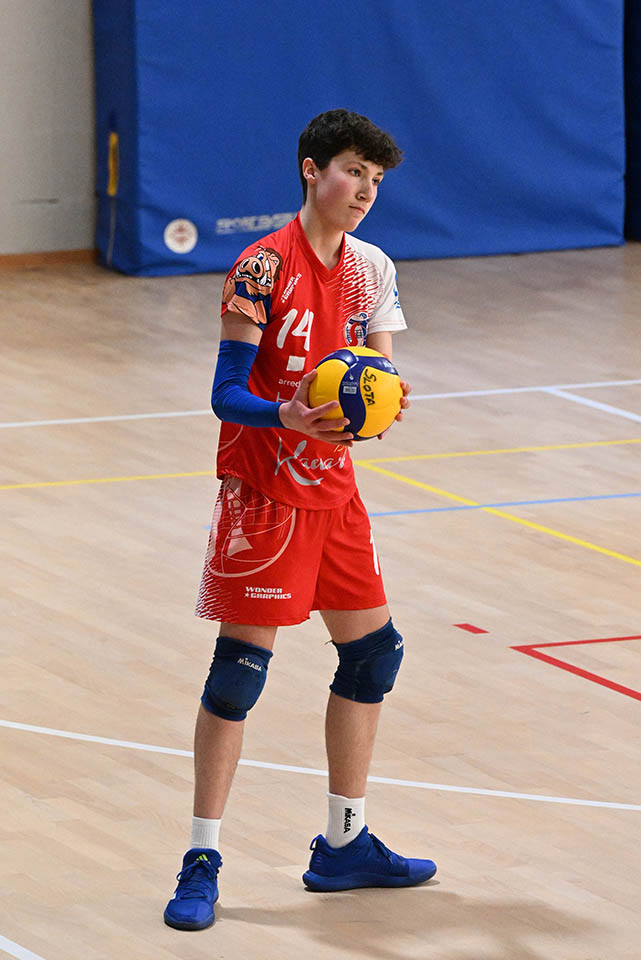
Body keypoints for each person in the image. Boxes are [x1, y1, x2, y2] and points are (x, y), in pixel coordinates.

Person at [163, 108, 436, 931]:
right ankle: (201, 859)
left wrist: (383, 401)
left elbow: (377, 373)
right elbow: (225, 394)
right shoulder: (262, 267)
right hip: (264, 495)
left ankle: (344, 843)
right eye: (353, 171)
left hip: (334, 492)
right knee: (237, 677)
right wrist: (284, 414)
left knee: (374, 656)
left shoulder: (372, 268)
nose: (364, 191)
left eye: (375, 180)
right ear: (312, 170)